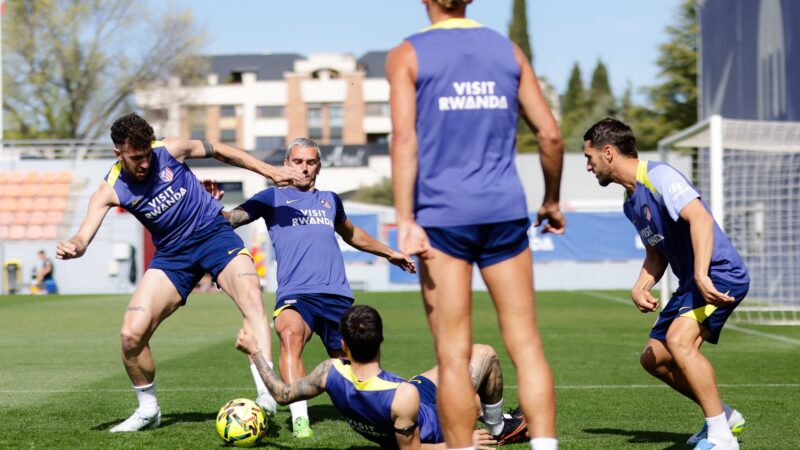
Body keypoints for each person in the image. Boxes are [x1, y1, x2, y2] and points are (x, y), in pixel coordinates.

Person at [386, 1, 565, 449]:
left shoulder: (407, 54)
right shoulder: (508, 50)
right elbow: (550, 135)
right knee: (526, 345)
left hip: (443, 218)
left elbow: (404, 139)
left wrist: (405, 218)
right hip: (504, 211)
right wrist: (551, 199)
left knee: (452, 355)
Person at [55, 112, 304, 432]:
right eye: (136, 158)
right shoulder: (110, 189)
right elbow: (83, 236)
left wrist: (268, 170)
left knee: (251, 297)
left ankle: (265, 393)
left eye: (147, 155)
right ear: (119, 153)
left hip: (214, 236)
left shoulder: (168, 149)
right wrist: (75, 245)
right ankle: (148, 410)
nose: (145, 163)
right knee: (131, 335)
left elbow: (221, 150)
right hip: (173, 257)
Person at [207, 137, 417, 438]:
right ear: (285, 164)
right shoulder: (270, 199)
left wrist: (389, 252)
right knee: (290, 335)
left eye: (311, 162)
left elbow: (353, 234)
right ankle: (300, 418)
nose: (304, 168)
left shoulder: (331, 199)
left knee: (350, 366)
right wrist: (212, 204)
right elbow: (231, 219)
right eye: (298, 161)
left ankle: (376, 409)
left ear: (318, 166)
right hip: (297, 293)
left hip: (337, 294)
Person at [582, 118, 749, 450]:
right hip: (693, 282)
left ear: (609, 152)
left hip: (719, 273)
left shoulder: (659, 175)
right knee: (653, 358)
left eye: (590, 157)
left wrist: (701, 274)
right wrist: (639, 286)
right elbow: (656, 255)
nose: (588, 166)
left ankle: (721, 438)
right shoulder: (631, 203)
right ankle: (725, 416)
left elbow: (699, 218)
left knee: (679, 341)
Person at [237, 304, 529, 449]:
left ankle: (482, 410)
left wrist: (254, 352)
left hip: (413, 394)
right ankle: (497, 428)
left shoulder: (330, 372)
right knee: (486, 354)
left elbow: (281, 393)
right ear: (382, 339)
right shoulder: (401, 396)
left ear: (343, 345)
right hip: (431, 419)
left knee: (464, 359)